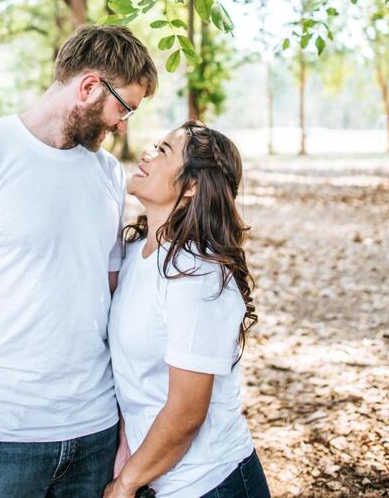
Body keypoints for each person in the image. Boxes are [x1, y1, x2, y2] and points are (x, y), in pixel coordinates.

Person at [0, 25, 158, 498]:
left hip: (95, 433)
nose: (123, 125)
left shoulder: (107, 174)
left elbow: (114, 304)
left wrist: (127, 428)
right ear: (88, 87)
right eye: (123, 108)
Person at [106, 121, 271, 498]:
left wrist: (126, 483)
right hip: (159, 478)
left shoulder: (197, 276)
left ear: (192, 185)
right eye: (154, 145)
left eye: (164, 151)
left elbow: (186, 413)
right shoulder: (135, 253)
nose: (147, 154)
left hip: (213, 484)